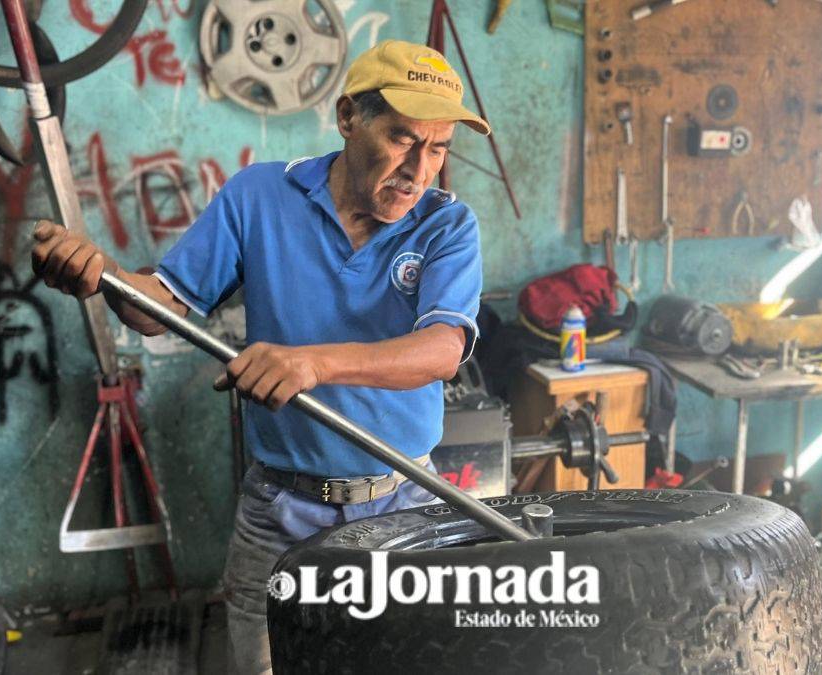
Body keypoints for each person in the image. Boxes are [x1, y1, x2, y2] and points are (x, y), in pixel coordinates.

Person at [30, 39, 489, 674]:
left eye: (438, 148)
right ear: (350, 117)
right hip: (280, 512)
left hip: (402, 503)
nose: (420, 169)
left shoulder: (446, 226)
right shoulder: (258, 197)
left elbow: (441, 350)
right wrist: (102, 273)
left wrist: (314, 364)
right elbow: (157, 307)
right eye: (404, 139)